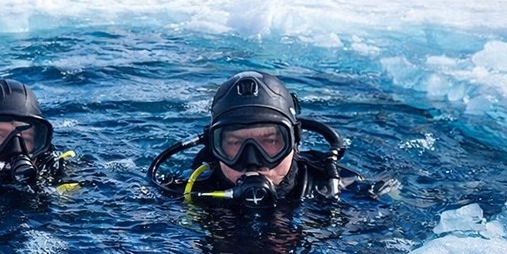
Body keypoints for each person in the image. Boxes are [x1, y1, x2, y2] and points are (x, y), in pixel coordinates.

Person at [148, 71, 399, 208]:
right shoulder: (190, 195)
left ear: (295, 141)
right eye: (235, 143)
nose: (254, 161)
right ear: (214, 148)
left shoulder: (337, 188)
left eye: (270, 141)